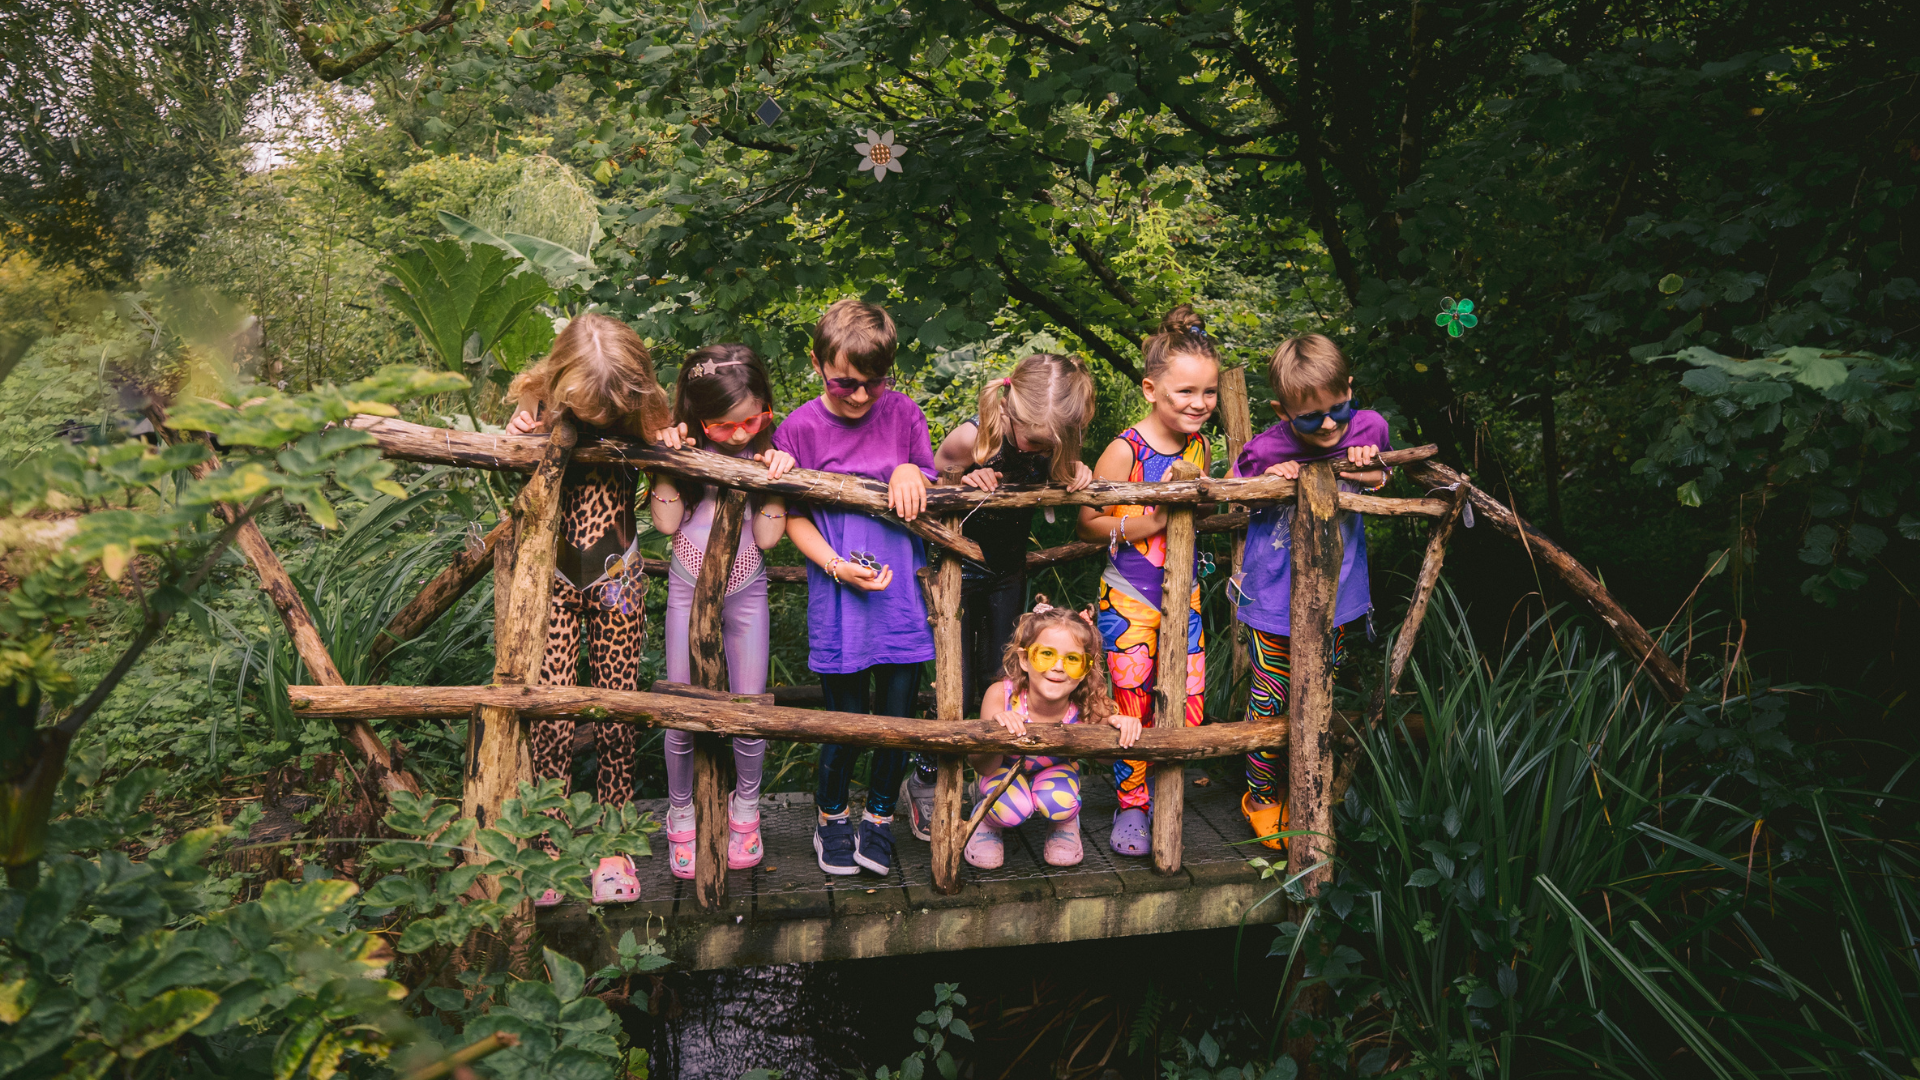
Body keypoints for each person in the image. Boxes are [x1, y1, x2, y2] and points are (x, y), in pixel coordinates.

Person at [500, 313, 663, 906]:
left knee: (617, 710)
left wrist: (669, 440)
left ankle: (615, 841)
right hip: (555, 575)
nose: (597, 415)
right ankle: (549, 837)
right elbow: (515, 481)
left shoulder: (640, 405)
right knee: (551, 713)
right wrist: (521, 434)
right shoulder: (541, 399)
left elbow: (672, 461)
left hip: (617, 575)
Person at [900, 354, 1097, 841]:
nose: (1041, 444)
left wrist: (1077, 471)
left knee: (1004, 676)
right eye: (1035, 438)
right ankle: (926, 777)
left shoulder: (1052, 440)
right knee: (957, 683)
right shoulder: (973, 436)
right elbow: (930, 477)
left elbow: (1059, 472)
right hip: (959, 572)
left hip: (1007, 573)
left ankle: (1008, 776)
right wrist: (964, 479)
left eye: (1053, 440)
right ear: (1009, 409)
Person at [773, 299, 937, 878]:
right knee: (843, 722)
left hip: (901, 601)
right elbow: (791, 515)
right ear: (818, 364)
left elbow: (923, 475)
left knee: (895, 722)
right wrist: (837, 566)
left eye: (874, 382)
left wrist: (907, 470)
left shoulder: (903, 415)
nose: (862, 396)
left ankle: (881, 818)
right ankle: (831, 818)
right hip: (840, 599)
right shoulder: (798, 428)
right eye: (846, 383)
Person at [1232, 333, 1388, 848]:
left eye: (1338, 408)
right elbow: (1234, 493)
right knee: (1272, 698)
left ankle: (1307, 786)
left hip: (1339, 599)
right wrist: (1268, 481)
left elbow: (1381, 476)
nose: (1327, 425)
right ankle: (1259, 794)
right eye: (1308, 418)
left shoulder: (1368, 428)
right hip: (1274, 601)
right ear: (1282, 411)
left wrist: (1370, 468)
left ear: (1349, 389)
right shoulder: (1266, 448)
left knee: (1319, 690)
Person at [646, 344, 796, 879]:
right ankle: (680, 811)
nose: (738, 435)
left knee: (751, 713)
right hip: (688, 587)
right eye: (722, 426)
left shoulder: (766, 455)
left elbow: (770, 536)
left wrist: (773, 477)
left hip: (748, 587)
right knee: (681, 715)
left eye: (752, 421)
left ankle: (746, 810)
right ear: (696, 417)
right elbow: (666, 526)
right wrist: (668, 461)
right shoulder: (685, 452)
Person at [1076, 304, 1220, 858]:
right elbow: (1089, 524)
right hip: (1129, 599)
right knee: (1130, 704)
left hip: (1185, 594)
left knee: (1185, 698)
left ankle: (1166, 792)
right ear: (1150, 389)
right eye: (1185, 392)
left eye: (1208, 393)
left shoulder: (1200, 446)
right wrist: (1152, 519)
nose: (1199, 404)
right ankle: (1130, 803)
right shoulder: (1125, 449)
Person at [965, 600, 1143, 869]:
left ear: (1085, 668)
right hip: (1000, 771)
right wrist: (996, 734)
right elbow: (981, 764)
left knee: (1059, 802)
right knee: (1009, 809)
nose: (1059, 667)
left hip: (1054, 775)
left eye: (1072, 659)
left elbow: (1106, 760)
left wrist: (1119, 728)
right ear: (1025, 659)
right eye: (1046, 655)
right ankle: (988, 819)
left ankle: (1064, 822)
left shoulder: (1088, 704)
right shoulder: (1001, 696)